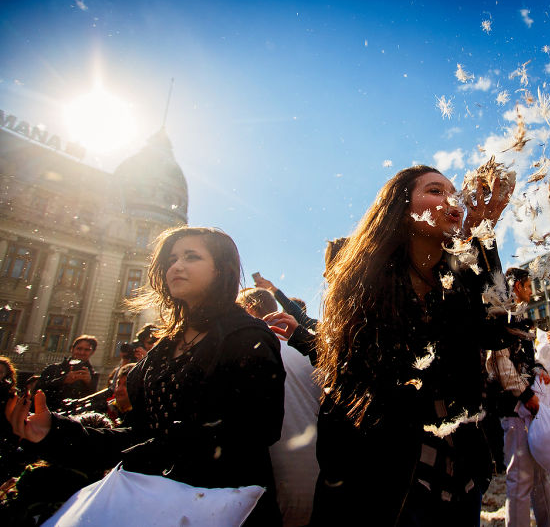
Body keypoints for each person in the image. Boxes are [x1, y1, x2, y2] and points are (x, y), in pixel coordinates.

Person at [5, 226, 285, 525]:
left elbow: (257, 430)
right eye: (172, 258)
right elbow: (137, 435)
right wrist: (53, 430)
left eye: (192, 257)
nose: (176, 266)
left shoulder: (246, 335)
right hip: (150, 504)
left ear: (221, 270)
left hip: (221, 509)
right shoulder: (164, 348)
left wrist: (153, 451)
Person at [311, 165, 515, 526]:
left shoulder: (458, 278)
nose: (451, 199)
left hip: (457, 469)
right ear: (400, 207)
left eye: (454, 193)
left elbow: (496, 329)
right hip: (381, 478)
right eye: (435, 191)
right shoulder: (365, 280)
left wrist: (482, 232)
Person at [237, 286, 322, 527]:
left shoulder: (246, 350)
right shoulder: (311, 352)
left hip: (271, 490)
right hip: (320, 481)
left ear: (248, 309)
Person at [486, 267, 550, 527]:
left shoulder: (517, 316)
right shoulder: (503, 317)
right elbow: (499, 362)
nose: (532, 291)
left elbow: (522, 360)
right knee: (519, 477)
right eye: (528, 286)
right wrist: (526, 394)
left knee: (537, 476)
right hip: (515, 408)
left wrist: (539, 369)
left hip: (526, 406)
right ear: (517, 286)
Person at [36, 335, 99, 410]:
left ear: (92, 352)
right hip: (51, 412)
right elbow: (38, 390)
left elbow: (94, 402)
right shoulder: (53, 369)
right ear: (72, 349)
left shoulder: (93, 375)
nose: (82, 352)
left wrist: (89, 383)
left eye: (87, 350)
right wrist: (63, 380)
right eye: (79, 348)